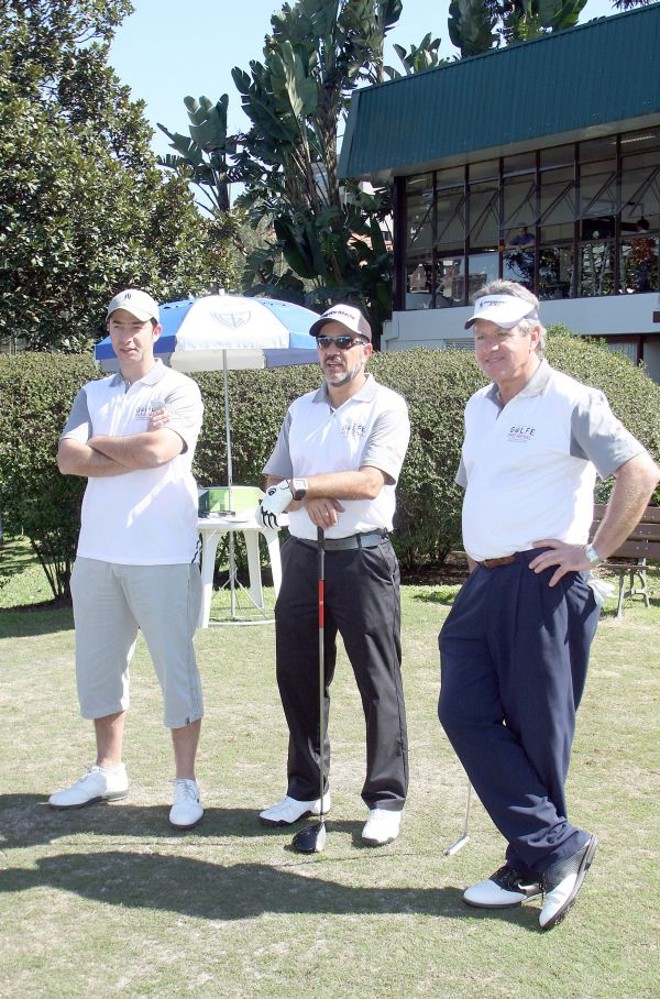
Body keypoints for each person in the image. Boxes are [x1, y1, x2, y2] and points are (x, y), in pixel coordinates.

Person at [439, 280, 659, 930]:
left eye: (501, 334)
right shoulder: (480, 407)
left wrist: (591, 553)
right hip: (487, 584)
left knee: (539, 728)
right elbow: (480, 486)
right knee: (464, 708)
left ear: (535, 335)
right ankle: (550, 847)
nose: (488, 346)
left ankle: (532, 859)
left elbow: (639, 470)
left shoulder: (570, 399)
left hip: (544, 583)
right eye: (480, 335)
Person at [48, 289, 206, 830]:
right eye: (117, 326)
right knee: (98, 669)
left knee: (174, 671)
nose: (126, 336)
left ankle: (185, 783)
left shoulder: (181, 389)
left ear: (155, 330)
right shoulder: (90, 391)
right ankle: (107, 769)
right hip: (97, 553)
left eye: (135, 326)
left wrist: (106, 444)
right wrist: (132, 445)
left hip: (162, 554)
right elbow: (70, 460)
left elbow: (161, 453)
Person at [257, 304, 410, 846]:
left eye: (345, 341)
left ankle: (386, 798)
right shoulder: (300, 408)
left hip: (363, 558)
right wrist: (307, 493)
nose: (332, 351)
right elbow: (275, 476)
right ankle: (307, 788)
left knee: (377, 680)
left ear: (366, 349)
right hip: (304, 555)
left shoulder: (387, 406)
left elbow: (371, 482)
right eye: (324, 341)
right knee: (298, 675)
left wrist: (307, 488)